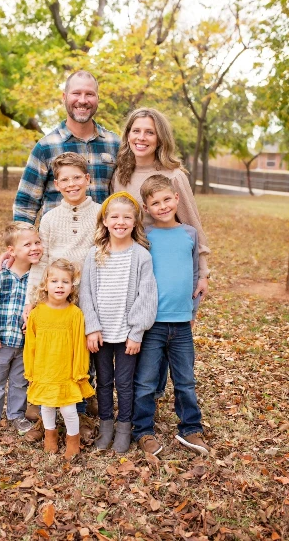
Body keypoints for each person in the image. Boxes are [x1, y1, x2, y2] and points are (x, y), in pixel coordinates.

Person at [112, 107, 210, 406]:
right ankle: (140, 394)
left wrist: (203, 271)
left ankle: (153, 393)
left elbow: (192, 222)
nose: (142, 137)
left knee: (162, 330)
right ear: (128, 134)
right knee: (136, 331)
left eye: (149, 132)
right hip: (129, 265)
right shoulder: (120, 174)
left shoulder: (173, 175)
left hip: (166, 269)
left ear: (160, 138)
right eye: (136, 130)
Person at [22, 151, 101, 444]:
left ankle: (79, 410)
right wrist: (32, 300)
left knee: (80, 353)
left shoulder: (101, 213)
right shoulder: (51, 218)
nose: (71, 184)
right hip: (54, 296)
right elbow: (40, 262)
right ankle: (46, 411)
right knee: (50, 353)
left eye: (76, 178)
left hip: (87, 294)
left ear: (87, 179)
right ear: (56, 184)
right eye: (64, 179)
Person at [132, 175, 209, 456]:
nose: (163, 206)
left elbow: (193, 275)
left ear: (176, 198)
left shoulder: (190, 234)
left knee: (185, 380)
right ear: (146, 207)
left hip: (181, 324)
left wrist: (192, 312)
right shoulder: (144, 237)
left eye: (167, 199)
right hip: (152, 323)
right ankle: (143, 431)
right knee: (146, 381)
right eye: (155, 202)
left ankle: (191, 428)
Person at [79, 192, 158, 454]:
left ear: (135, 222)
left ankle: (124, 427)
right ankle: (106, 427)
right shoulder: (94, 254)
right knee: (103, 382)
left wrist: (136, 332)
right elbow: (85, 294)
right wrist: (91, 327)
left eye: (127, 217)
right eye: (114, 216)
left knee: (124, 383)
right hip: (99, 334)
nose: (120, 222)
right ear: (104, 221)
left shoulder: (141, 256)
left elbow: (146, 297)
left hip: (126, 335)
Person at [13, 70, 120, 224]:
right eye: (76, 93)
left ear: (97, 98)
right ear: (64, 97)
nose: (82, 100)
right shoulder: (45, 147)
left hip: (103, 243)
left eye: (89, 94)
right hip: (58, 243)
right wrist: (22, 243)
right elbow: (25, 205)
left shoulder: (115, 144)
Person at [23, 259, 95, 459]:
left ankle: (73, 439)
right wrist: (31, 370)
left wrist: (80, 371)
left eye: (65, 282)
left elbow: (81, 347)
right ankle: (50, 436)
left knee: (69, 410)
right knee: (46, 407)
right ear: (45, 284)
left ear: (72, 287)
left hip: (66, 372)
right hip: (44, 370)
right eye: (54, 281)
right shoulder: (37, 314)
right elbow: (30, 345)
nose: (59, 286)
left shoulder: (75, 314)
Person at [0, 223, 43, 434]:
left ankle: (16, 415)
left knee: (20, 382)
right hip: (2, 341)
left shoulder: (39, 276)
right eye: (27, 244)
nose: (34, 247)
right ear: (12, 251)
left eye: (37, 242)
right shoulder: (1, 274)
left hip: (25, 343)